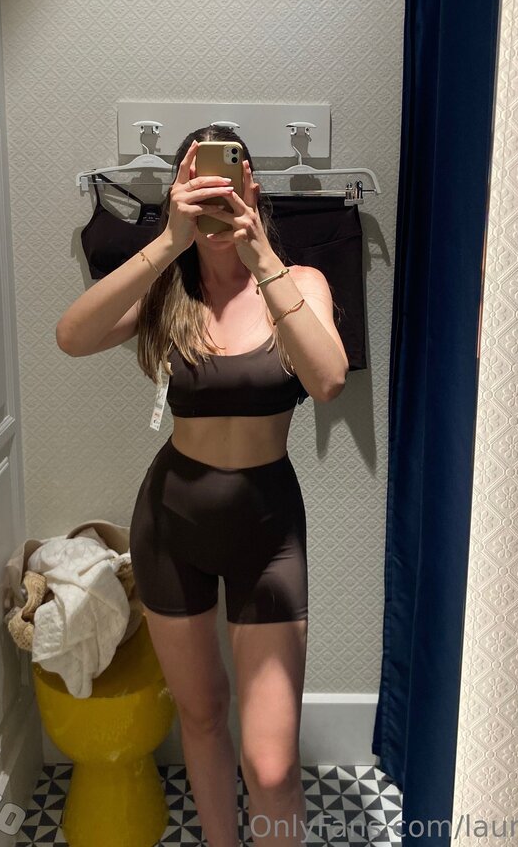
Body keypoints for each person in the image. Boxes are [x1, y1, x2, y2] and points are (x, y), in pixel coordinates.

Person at [56, 126, 348, 846]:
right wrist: (167, 241)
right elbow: (72, 337)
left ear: (252, 187)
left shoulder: (298, 281)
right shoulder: (168, 288)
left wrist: (261, 256)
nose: (216, 198)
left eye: (229, 182)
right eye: (198, 185)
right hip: (171, 525)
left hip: (267, 533)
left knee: (272, 765)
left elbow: (328, 380)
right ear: (178, 194)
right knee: (204, 716)